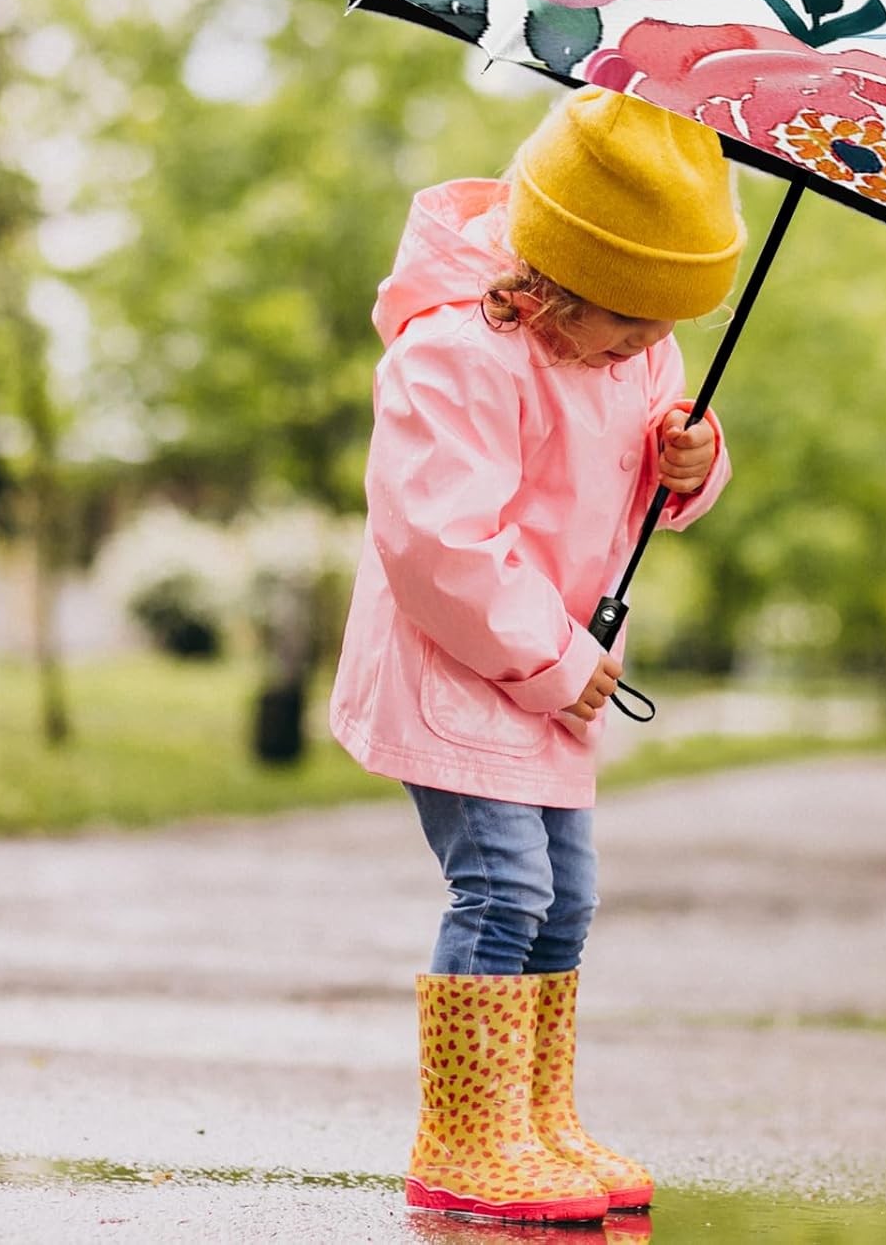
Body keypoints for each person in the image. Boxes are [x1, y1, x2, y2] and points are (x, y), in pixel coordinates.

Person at [329, 88, 742, 1224]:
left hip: (554, 680)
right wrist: (556, 662)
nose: (652, 348)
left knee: (568, 902)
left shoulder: (635, 354)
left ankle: (535, 1121)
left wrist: (689, 464)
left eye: (666, 327)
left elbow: (644, 491)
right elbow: (439, 541)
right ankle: (465, 1138)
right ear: (554, 279)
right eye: (630, 322)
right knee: (505, 889)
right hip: (463, 669)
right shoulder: (454, 356)